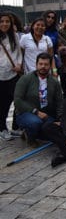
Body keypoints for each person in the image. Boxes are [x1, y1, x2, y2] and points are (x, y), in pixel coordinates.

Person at [14, 53, 63, 143]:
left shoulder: (54, 82)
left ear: (49, 66)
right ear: (36, 65)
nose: (43, 67)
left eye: (46, 64)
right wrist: (36, 112)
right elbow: (17, 100)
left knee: (55, 128)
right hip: (26, 113)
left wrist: (60, 119)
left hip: (46, 115)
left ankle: (32, 134)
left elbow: (60, 101)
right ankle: (30, 137)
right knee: (36, 123)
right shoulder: (25, 79)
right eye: (40, 64)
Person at [0, 12, 23, 140]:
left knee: (16, 101)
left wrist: (19, 64)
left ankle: (15, 127)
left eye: (7, 21)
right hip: (0, 76)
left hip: (13, 74)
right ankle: (2, 128)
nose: (4, 24)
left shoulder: (14, 36)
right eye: (2, 21)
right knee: (2, 103)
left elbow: (19, 53)